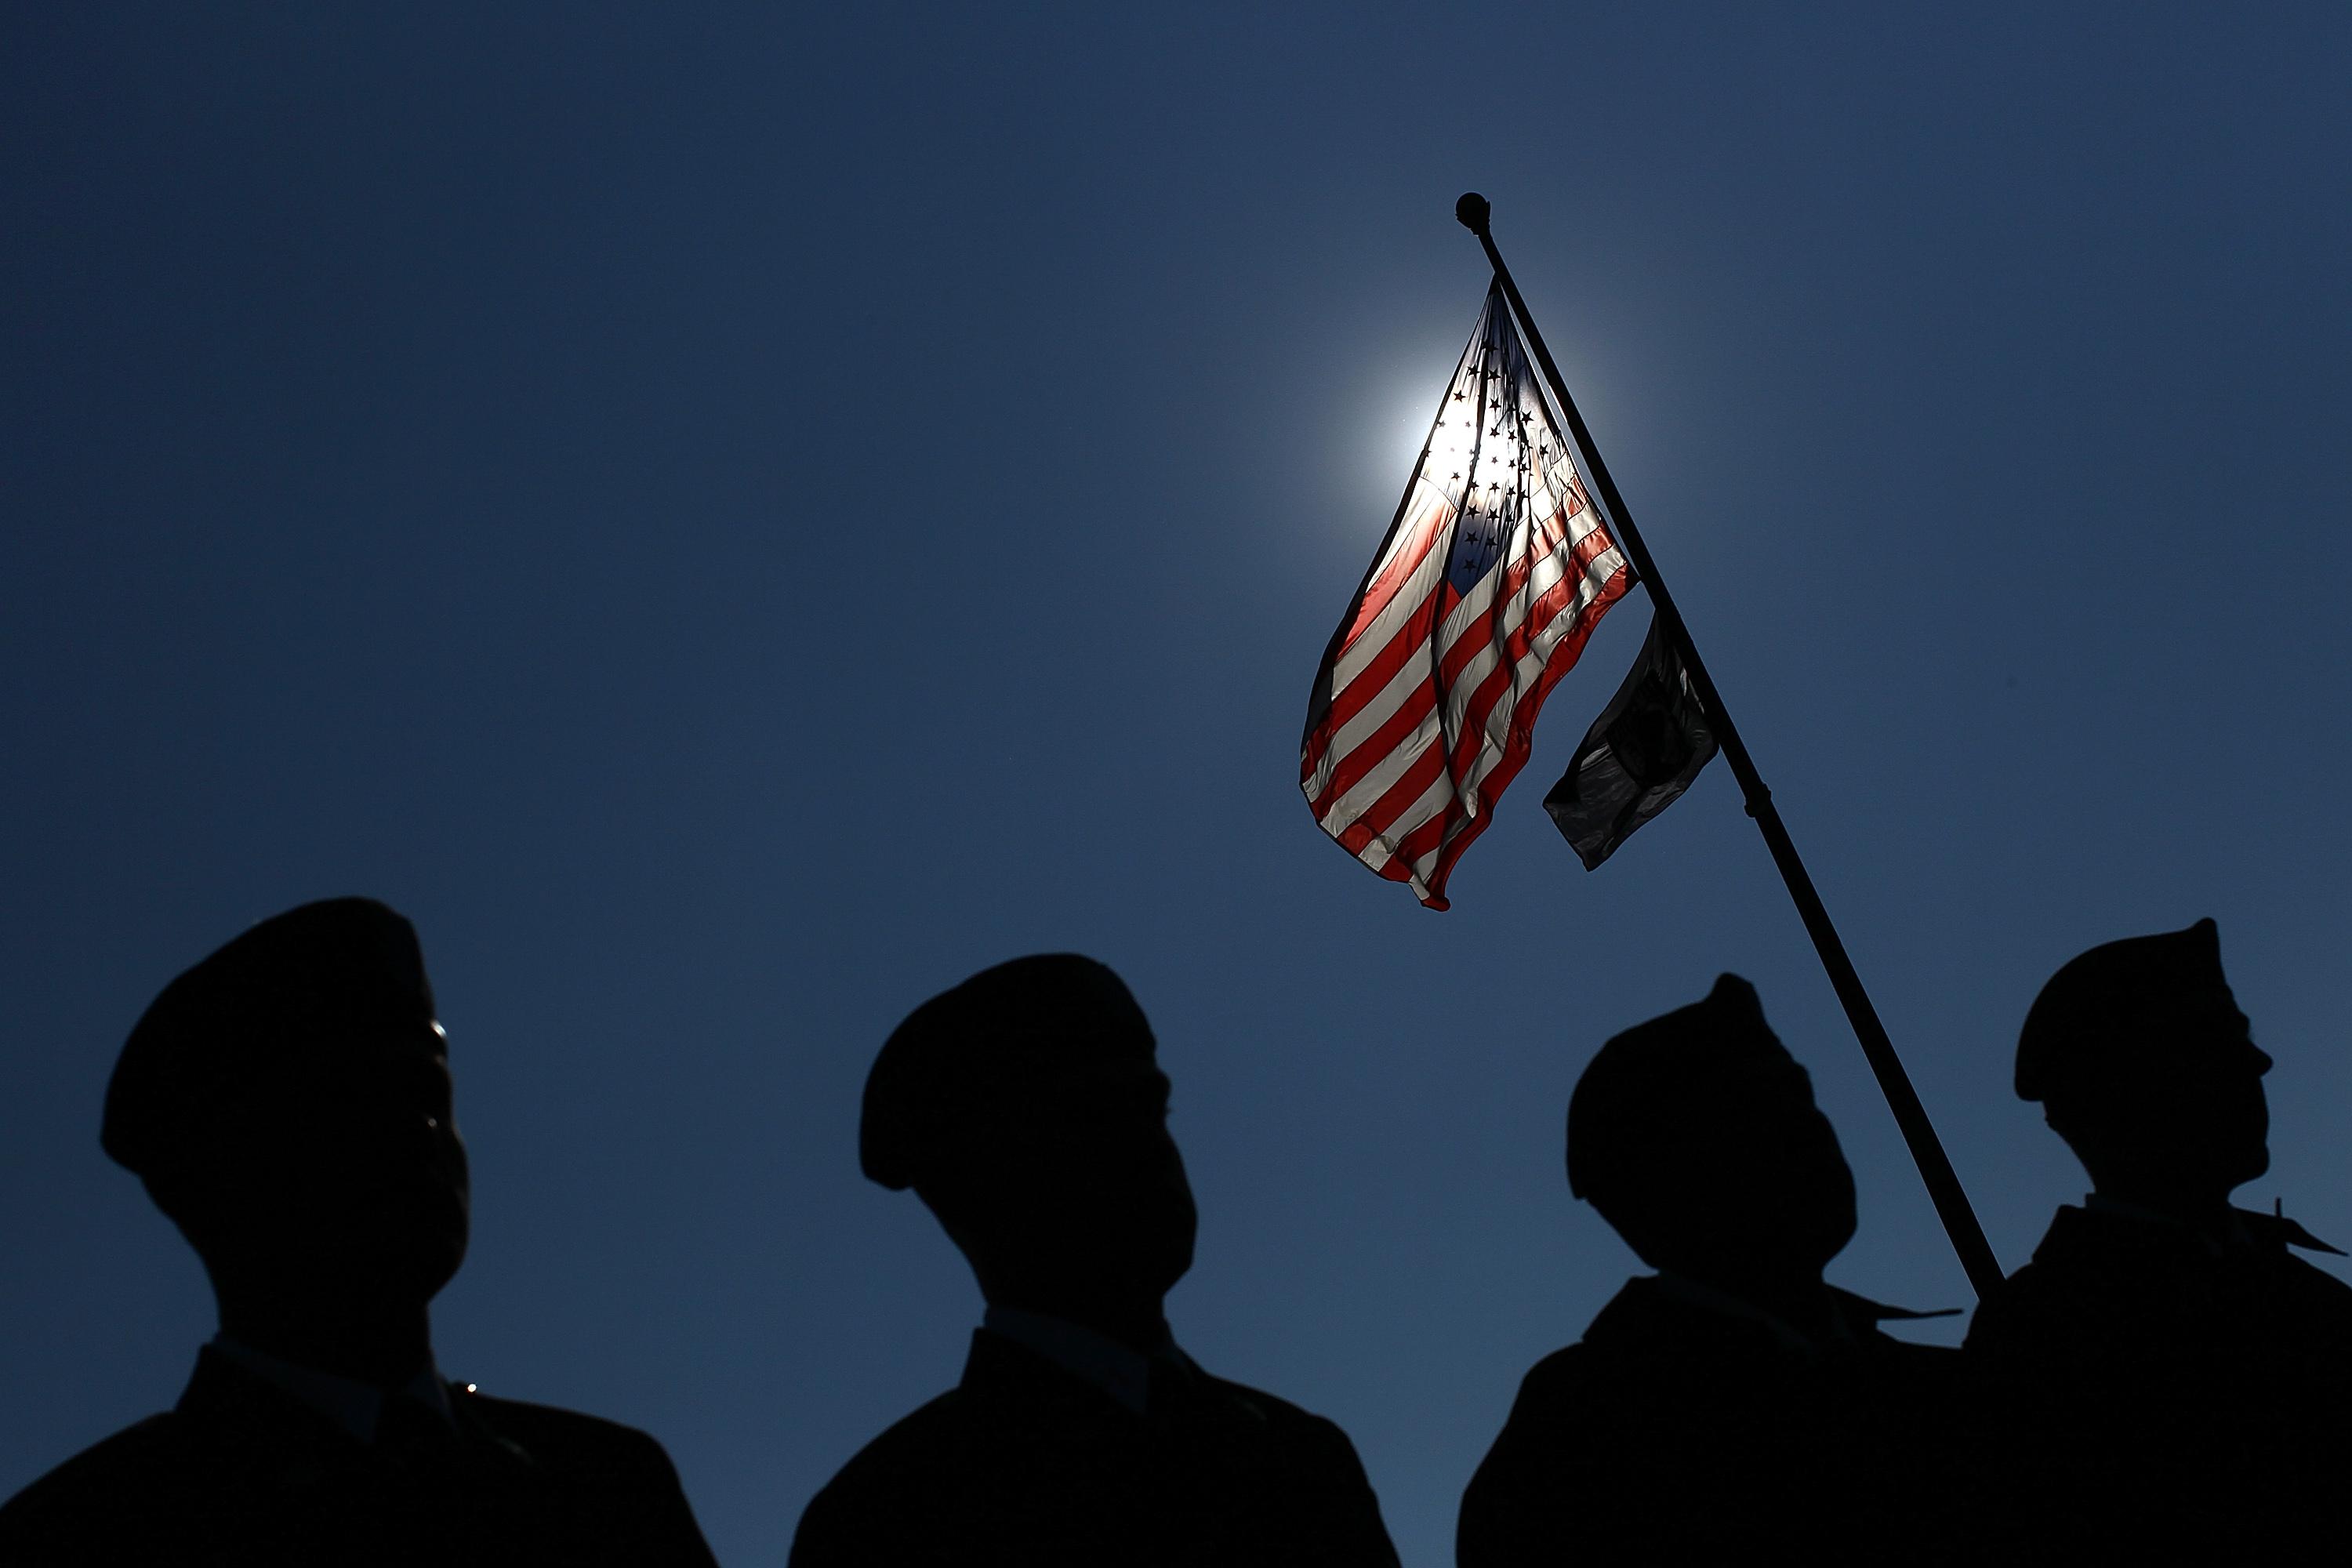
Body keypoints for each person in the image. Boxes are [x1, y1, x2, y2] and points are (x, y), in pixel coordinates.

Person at [0, 898, 717, 1566]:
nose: (420, 1129)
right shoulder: (93, 1532)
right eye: (348, 1102)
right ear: (212, 1180)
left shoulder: (607, 1485)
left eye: (429, 1091)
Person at [789, 953, 1399, 1567]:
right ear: (975, 1186)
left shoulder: (1303, 1455)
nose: (1152, 1148)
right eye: (1091, 1119)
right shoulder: (891, 1519)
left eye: (1154, 1110)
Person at [1458, 974, 1956, 1566]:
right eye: (1759, 1109)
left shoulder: (1937, 1385)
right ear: (1659, 1185)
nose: (1810, 1128)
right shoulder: (1589, 1435)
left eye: (1802, 1096)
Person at [1960, 918, 2352, 1559]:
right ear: (2125, 1086)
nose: (2259, 1060)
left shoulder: (2306, 1294)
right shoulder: (2050, 1328)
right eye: (2216, 1038)